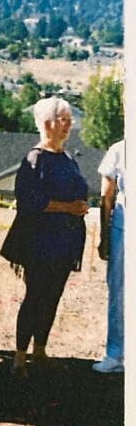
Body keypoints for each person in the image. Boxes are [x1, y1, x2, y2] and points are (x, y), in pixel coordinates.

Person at [10, 96, 88, 378]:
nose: (68, 125)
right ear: (46, 123)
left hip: (65, 242)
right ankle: (19, 358)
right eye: (63, 119)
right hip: (40, 242)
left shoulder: (67, 158)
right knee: (35, 297)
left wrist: (80, 204)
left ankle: (40, 351)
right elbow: (30, 201)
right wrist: (68, 207)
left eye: (69, 119)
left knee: (53, 297)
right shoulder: (35, 159)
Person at [93, 138, 125, 374]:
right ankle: (115, 354)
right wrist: (105, 236)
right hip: (123, 231)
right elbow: (106, 197)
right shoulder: (119, 150)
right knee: (119, 292)